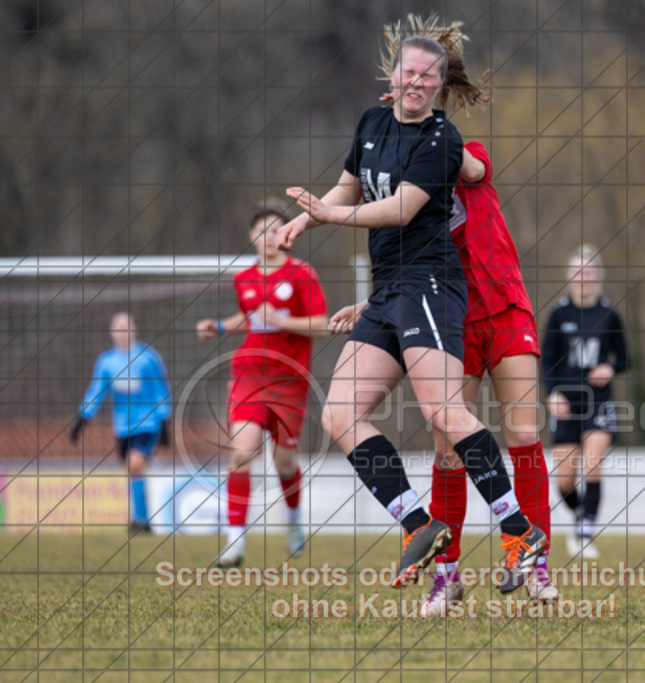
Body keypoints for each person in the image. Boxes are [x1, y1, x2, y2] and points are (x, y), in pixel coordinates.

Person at [279, 14, 547, 594]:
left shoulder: (441, 140)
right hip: (387, 291)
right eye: (410, 72)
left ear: (439, 84)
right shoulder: (372, 122)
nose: (418, 82)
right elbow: (350, 187)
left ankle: (519, 532)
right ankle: (419, 524)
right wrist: (305, 219)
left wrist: (333, 217)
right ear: (392, 74)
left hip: (430, 285)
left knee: (445, 416)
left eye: (430, 76)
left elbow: (400, 209)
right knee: (339, 415)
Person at [331, 139, 559, 612]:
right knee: (447, 449)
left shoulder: (458, 151)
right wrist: (371, 306)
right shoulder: (405, 200)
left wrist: (432, 126)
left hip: (504, 309)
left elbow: (473, 169)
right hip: (450, 322)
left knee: (523, 433)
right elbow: (407, 270)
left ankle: (535, 569)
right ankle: (448, 578)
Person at [195, 198, 328, 567]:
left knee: (284, 462)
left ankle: (294, 521)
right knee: (241, 452)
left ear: (288, 236)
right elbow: (248, 317)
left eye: (276, 230)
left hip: (290, 380)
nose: (269, 237)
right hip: (250, 375)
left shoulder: (303, 274)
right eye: (262, 231)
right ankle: (234, 543)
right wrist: (220, 327)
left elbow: (322, 324)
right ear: (251, 236)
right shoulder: (244, 278)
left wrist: (282, 322)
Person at [542, 245, 629, 559]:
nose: (583, 278)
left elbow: (625, 358)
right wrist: (552, 393)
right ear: (569, 277)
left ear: (597, 277)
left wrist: (611, 367)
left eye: (588, 272)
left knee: (593, 467)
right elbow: (546, 361)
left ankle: (584, 533)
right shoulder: (558, 314)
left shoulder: (609, 313)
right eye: (577, 272)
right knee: (565, 481)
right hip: (566, 403)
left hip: (599, 402)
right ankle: (580, 516)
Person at [71, 312, 171, 534]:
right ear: (112, 332)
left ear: (134, 330)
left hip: (147, 423)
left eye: (126, 326)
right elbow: (97, 391)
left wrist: (165, 420)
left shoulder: (147, 357)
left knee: (135, 463)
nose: (122, 331)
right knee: (131, 470)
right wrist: (83, 418)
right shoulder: (106, 362)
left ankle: (141, 520)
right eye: (118, 327)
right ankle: (142, 520)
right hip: (122, 426)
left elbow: (160, 389)